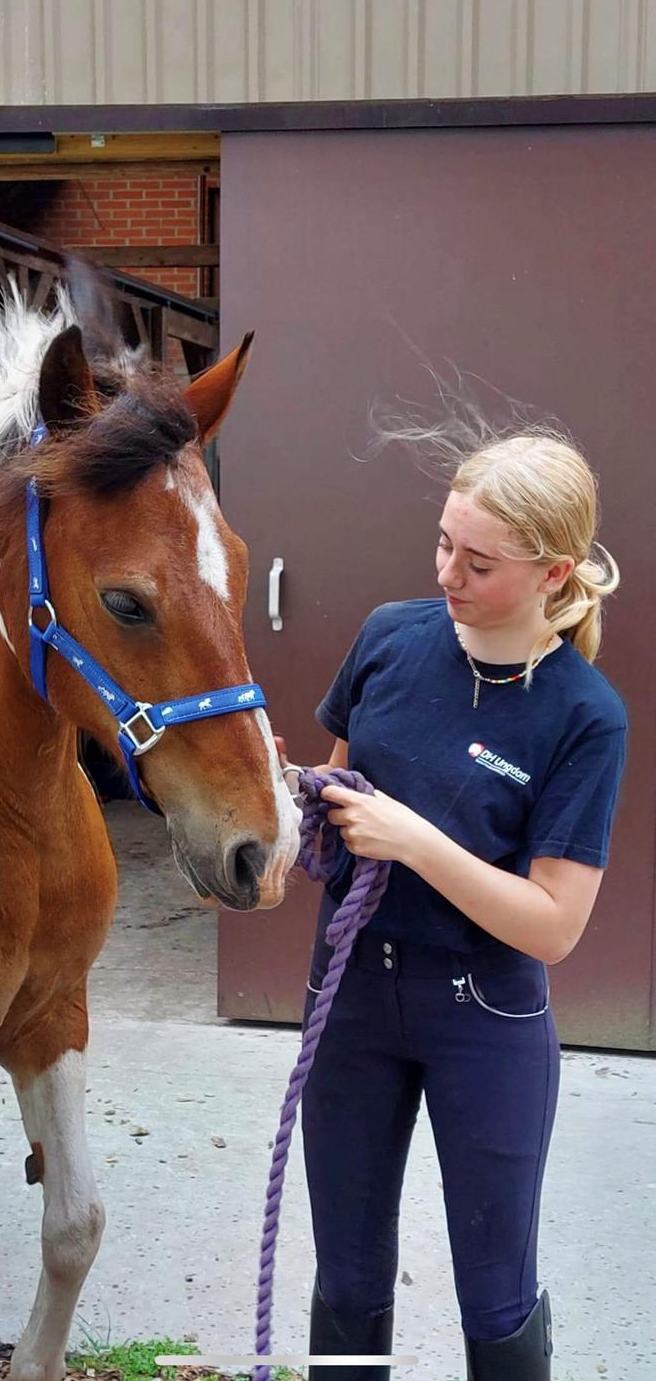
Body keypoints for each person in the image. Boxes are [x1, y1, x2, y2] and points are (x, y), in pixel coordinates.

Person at [278, 430, 627, 1381]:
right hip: (348, 996)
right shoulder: (391, 636)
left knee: (495, 1292)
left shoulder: (581, 715)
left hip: (485, 1014)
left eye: (477, 562)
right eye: (441, 543)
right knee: (346, 1279)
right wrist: (294, 817)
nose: (447, 573)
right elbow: (336, 787)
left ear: (553, 573)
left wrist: (415, 842)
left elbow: (553, 925)